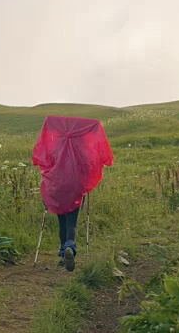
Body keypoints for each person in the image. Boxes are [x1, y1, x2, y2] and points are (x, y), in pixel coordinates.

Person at [32, 116, 113, 271]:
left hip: (56, 189)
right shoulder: (80, 150)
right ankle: (70, 246)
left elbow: (45, 162)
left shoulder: (55, 147)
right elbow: (89, 164)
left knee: (61, 222)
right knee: (71, 223)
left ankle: (63, 253)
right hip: (74, 189)